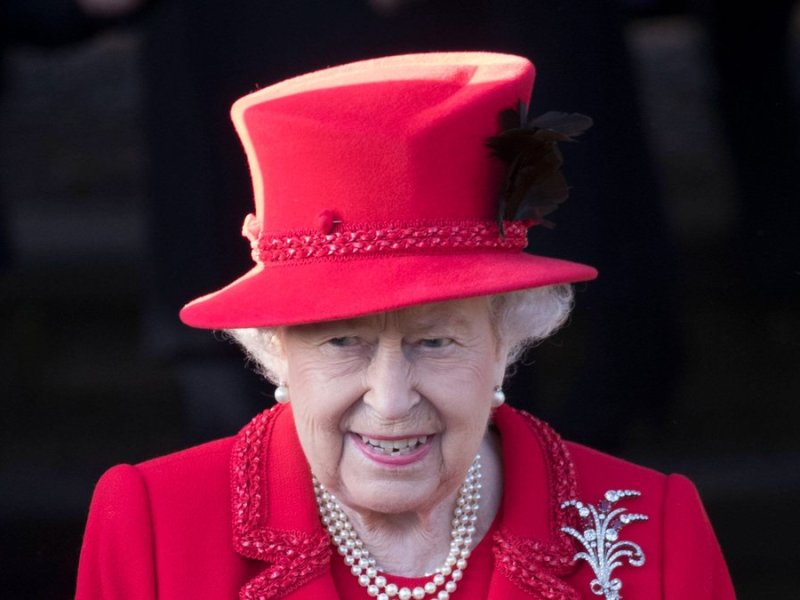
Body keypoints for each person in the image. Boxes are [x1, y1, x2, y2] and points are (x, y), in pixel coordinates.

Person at [75, 52, 734, 599]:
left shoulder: (655, 534)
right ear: (278, 350)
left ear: (506, 342)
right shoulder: (153, 526)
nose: (391, 400)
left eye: (435, 341)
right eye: (343, 340)